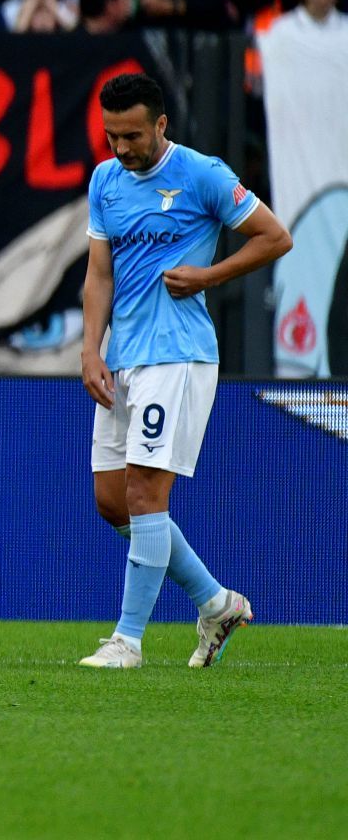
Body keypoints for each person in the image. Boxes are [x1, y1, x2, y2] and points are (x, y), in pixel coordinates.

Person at [77, 73, 291, 669]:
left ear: (162, 124)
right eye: (112, 136)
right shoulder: (105, 181)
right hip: (122, 357)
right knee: (112, 501)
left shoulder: (203, 174)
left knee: (146, 492)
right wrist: (91, 349)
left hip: (178, 352)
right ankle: (215, 601)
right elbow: (99, 274)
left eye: (133, 135)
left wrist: (207, 276)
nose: (122, 148)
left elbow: (275, 237)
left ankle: (128, 640)